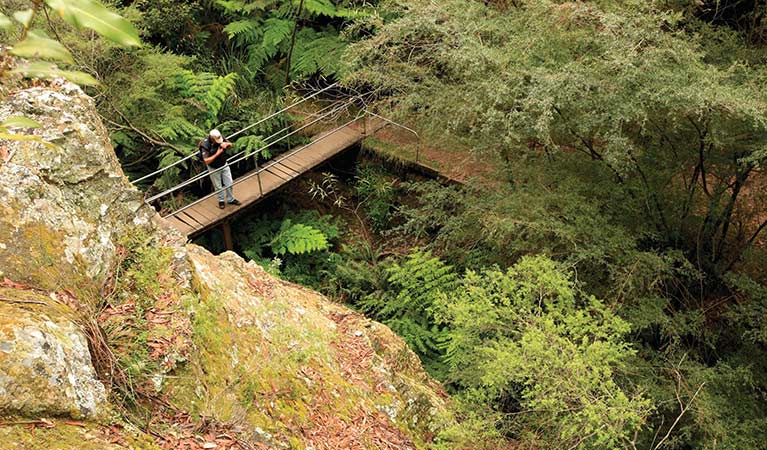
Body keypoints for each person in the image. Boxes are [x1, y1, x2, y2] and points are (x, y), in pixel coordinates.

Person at [200, 129, 241, 209]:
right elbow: (206, 161)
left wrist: (227, 144)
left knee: (229, 182)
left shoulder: (220, 137)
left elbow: (231, 144)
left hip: (224, 164)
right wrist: (217, 154)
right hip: (213, 168)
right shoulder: (205, 145)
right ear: (212, 139)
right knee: (218, 186)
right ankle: (221, 200)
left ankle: (231, 199)